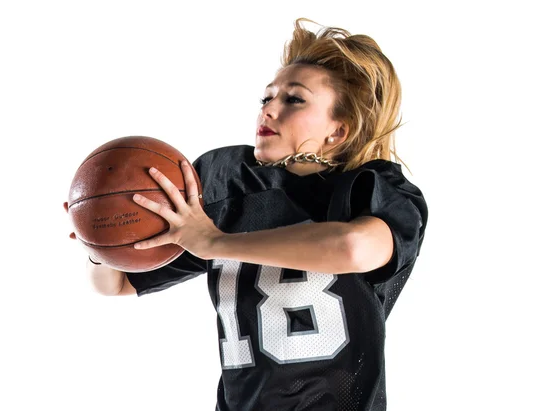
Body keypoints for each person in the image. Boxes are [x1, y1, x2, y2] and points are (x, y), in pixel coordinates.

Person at [65, 18, 428, 411]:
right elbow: (115, 285)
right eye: (266, 98)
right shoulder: (228, 188)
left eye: (294, 99)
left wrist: (216, 242)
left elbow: (355, 248)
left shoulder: (372, 188)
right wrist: (99, 243)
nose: (269, 109)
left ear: (338, 132)